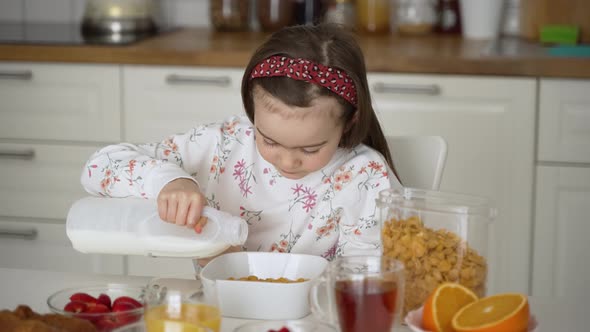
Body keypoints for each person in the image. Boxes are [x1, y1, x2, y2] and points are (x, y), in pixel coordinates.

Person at [80, 23, 401, 261]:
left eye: (310, 149)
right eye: (270, 140)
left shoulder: (366, 177)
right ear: (252, 110)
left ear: (350, 122)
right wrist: (170, 182)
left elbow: (367, 282)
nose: (288, 162)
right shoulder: (223, 146)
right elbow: (99, 166)